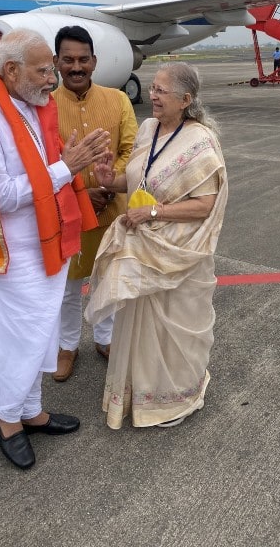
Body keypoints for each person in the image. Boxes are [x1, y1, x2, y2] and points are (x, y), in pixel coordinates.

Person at [0, 28, 111, 469]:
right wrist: (64, 168)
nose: (52, 78)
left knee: (39, 333)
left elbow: (40, 168)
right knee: (23, 337)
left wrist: (66, 160)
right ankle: (7, 419)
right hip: (11, 252)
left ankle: (31, 411)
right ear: (12, 69)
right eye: (43, 70)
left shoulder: (27, 105)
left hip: (45, 242)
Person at [85, 62, 229, 429]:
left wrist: (154, 212)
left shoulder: (200, 140)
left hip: (178, 251)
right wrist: (112, 180)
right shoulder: (149, 128)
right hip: (144, 243)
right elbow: (138, 180)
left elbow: (206, 204)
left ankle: (175, 399)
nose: (152, 95)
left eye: (161, 91)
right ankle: (143, 395)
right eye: (152, 88)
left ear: (185, 99)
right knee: (139, 327)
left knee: (171, 330)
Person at [50, 26, 138, 381]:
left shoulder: (118, 100)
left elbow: (132, 151)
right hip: (65, 215)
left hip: (111, 209)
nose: (76, 67)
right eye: (68, 59)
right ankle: (67, 346)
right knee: (67, 287)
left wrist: (108, 183)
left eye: (83, 59)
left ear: (94, 61)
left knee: (106, 279)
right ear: (56, 62)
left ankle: (105, 338)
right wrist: (80, 196)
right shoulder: (42, 107)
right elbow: (40, 164)